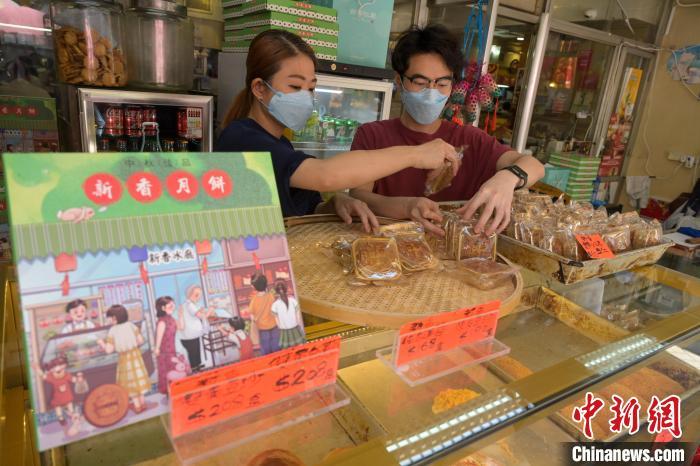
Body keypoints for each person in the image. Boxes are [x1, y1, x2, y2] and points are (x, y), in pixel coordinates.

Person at [216, 30, 460, 232]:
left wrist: (335, 203)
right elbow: (325, 175)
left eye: (311, 88)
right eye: (294, 86)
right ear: (259, 88)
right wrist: (415, 155)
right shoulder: (241, 139)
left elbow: (305, 208)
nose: (305, 97)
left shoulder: (281, 144)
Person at [349, 25, 545, 236]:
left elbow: (534, 166)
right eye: (420, 82)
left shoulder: (471, 139)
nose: (431, 93)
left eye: (442, 83)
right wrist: (406, 206)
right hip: (386, 248)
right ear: (399, 81)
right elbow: (359, 196)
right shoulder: (372, 135)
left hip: (456, 255)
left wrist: (508, 178)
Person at [97, 305, 151, 414]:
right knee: (138, 380)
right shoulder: (131, 325)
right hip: (136, 356)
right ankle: (143, 403)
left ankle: (137, 406)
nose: (109, 320)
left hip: (124, 358)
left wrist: (101, 343)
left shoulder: (112, 331)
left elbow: (108, 350)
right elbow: (140, 340)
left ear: (115, 318)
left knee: (130, 383)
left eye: (110, 318)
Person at [153, 296, 184, 395]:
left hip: (173, 348)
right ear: (163, 308)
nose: (173, 306)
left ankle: (176, 390)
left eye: (173, 304)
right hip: (165, 351)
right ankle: (169, 392)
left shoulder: (172, 318)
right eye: (170, 305)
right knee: (168, 372)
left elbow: (181, 327)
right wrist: (157, 348)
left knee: (175, 370)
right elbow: (159, 336)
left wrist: (180, 315)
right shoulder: (162, 321)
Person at [178, 285, 212, 371]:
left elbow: (193, 315)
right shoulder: (190, 305)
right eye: (196, 295)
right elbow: (201, 316)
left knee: (196, 349)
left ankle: (198, 365)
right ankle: (194, 368)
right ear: (189, 295)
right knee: (193, 352)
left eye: (199, 295)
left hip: (191, 334)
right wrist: (210, 311)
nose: (198, 298)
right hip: (189, 335)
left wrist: (200, 310)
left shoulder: (189, 304)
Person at [247, 273, 278, 355]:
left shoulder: (254, 300)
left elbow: (252, 316)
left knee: (266, 350)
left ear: (254, 287)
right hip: (274, 326)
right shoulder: (271, 296)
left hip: (263, 329)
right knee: (276, 347)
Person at [271, 281, 304, 349]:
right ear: (277, 291)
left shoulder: (293, 301)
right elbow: (276, 318)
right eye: (279, 289)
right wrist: (280, 326)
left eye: (282, 288)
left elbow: (297, 314)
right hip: (284, 330)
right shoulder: (275, 305)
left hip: (295, 327)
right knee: (287, 349)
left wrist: (298, 323)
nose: (281, 290)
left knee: (301, 347)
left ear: (285, 289)